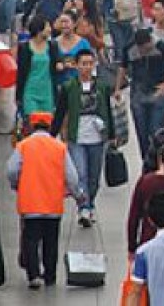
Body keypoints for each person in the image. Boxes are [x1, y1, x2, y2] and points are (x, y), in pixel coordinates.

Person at [7, 111, 81, 289]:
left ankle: (33, 275)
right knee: (51, 241)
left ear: (31, 126)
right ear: (49, 126)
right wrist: (78, 194)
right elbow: (71, 176)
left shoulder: (23, 146)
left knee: (30, 239)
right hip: (52, 203)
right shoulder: (59, 147)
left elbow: (11, 170)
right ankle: (50, 276)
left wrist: (17, 184)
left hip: (30, 202)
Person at [54, 48, 115, 228]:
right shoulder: (69, 87)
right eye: (83, 64)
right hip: (77, 137)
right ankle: (84, 206)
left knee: (94, 176)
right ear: (76, 65)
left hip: (97, 137)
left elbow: (108, 112)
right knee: (81, 173)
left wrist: (112, 135)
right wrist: (52, 133)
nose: (87, 68)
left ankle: (90, 201)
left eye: (90, 63)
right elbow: (61, 112)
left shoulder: (102, 86)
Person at [121, 27, 164, 159]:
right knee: (141, 132)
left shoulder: (161, 47)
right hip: (138, 94)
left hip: (158, 94)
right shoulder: (129, 48)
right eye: (142, 49)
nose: (144, 51)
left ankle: (158, 160)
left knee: (157, 131)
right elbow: (122, 66)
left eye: (148, 48)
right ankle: (146, 161)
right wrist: (118, 87)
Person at [16, 15, 62, 117]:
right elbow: (21, 72)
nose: (50, 29)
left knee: (47, 123)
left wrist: (59, 64)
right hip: (30, 91)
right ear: (39, 29)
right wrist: (18, 96)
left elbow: (57, 60)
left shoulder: (52, 46)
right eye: (47, 27)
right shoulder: (24, 48)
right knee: (32, 121)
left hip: (47, 91)